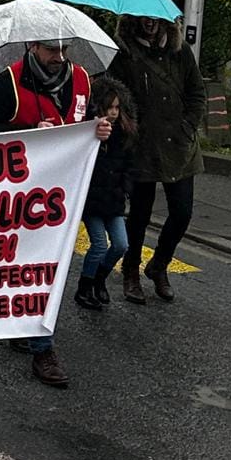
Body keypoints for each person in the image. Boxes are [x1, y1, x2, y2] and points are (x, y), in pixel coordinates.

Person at [0, 38, 111, 388]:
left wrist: (100, 130)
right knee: (31, 269)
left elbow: (92, 122)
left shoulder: (82, 78)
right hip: (20, 197)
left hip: (65, 195)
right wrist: (28, 134)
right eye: (52, 50)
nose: (59, 57)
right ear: (33, 46)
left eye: (64, 49)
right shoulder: (9, 81)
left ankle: (32, 334)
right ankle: (40, 346)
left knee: (47, 270)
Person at [108, 15, 206, 305]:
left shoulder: (180, 51)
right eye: (143, 17)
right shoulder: (124, 53)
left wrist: (187, 127)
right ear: (133, 19)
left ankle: (159, 265)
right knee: (139, 214)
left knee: (182, 212)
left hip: (179, 147)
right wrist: (126, 128)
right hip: (142, 146)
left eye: (155, 17)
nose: (149, 22)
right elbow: (114, 96)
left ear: (165, 20)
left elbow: (196, 93)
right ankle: (130, 271)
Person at [75, 74, 137, 310]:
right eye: (109, 107)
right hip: (92, 202)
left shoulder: (124, 135)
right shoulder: (90, 135)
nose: (113, 112)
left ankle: (99, 279)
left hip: (114, 200)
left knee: (121, 245)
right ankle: (84, 286)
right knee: (99, 244)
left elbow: (129, 166)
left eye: (117, 108)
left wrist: (125, 188)